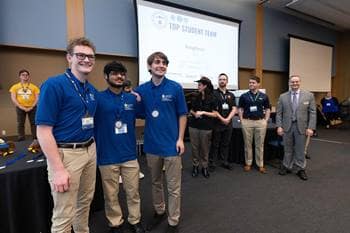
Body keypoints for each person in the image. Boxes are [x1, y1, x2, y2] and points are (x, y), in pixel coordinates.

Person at [36, 37, 98, 233]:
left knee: (84, 204)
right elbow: (43, 130)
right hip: (66, 155)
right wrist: (58, 169)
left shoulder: (91, 90)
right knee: (64, 215)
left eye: (90, 57)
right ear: (69, 58)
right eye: (81, 55)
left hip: (90, 149)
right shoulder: (54, 85)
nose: (86, 60)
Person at [135, 52, 188, 233]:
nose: (161, 65)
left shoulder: (175, 88)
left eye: (164, 63)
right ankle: (160, 210)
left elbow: (182, 114)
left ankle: (173, 220)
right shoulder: (141, 90)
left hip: (172, 146)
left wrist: (180, 138)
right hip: (152, 145)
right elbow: (137, 112)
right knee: (155, 182)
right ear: (149, 67)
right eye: (157, 62)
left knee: (174, 186)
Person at [94, 61, 145, 233]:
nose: (119, 76)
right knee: (111, 195)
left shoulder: (132, 98)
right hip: (107, 155)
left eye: (122, 73)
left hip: (129, 154)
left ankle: (134, 220)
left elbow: (145, 114)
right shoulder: (98, 98)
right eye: (114, 73)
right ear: (106, 77)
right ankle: (115, 222)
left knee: (133, 192)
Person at [276, 75, 316, 181]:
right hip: (287, 127)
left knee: (300, 149)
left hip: (302, 127)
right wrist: (279, 126)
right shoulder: (282, 96)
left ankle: (300, 168)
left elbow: (312, 113)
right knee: (287, 148)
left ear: (300, 82)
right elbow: (279, 113)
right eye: (292, 82)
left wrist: (311, 127)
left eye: (296, 82)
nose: (295, 84)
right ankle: (287, 166)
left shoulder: (309, 96)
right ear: (289, 83)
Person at [238, 75, 270, 174]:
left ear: (258, 84)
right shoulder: (244, 96)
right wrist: (242, 120)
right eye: (250, 82)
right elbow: (240, 108)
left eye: (253, 83)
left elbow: (268, 108)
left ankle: (260, 164)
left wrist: (266, 120)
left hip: (260, 122)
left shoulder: (264, 96)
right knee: (248, 144)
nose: (251, 84)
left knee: (259, 145)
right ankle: (248, 163)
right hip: (247, 122)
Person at [188, 76, 218, 178]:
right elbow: (191, 110)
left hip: (206, 127)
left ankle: (205, 167)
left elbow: (215, 114)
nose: (198, 86)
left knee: (205, 148)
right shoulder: (195, 96)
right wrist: (194, 113)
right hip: (194, 126)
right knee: (194, 148)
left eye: (200, 85)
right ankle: (195, 166)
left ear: (205, 86)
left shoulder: (213, 98)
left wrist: (204, 112)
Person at [209, 73, 236, 171]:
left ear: (227, 81)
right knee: (215, 144)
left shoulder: (231, 95)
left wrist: (228, 119)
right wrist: (223, 119)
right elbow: (213, 110)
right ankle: (212, 162)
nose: (222, 81)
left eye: (224, 79)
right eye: (220, 79)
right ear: (218, 81)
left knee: (226, 143)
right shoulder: (213, 94)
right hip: (217, 123)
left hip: (228, 124)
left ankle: (224, 161)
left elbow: (234, 109)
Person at [9, 69, 40, 142]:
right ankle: (21, 137)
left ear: (28, 76)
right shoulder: (15, 87)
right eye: (23, 75)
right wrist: (21, 107)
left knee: (34, 123)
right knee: (20, 123)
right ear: (20, 76)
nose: (25, 76)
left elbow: (37, 98)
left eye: (26, 75)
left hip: (32, 107)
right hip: (20, 108)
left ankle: (35, 137)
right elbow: (13, 98)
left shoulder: (34, 87)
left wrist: (32, 106)